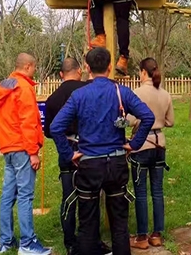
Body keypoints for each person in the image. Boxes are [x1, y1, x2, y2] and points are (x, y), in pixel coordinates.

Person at [50, 47, 155, 255]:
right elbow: (148, 116)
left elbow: (55, 127)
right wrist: (134, 144)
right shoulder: (121, 91)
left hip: (89, 165)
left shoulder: (79, 95)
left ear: (87, 67)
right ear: (109, 67)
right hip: (116, 164)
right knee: (119, 224)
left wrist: (68, 154)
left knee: (88, 224)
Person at [44, 58, 111, 255]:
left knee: (69, 198)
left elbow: (49, 131)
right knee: (92, 197)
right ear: (79, 71)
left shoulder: (53, 99)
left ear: (61, 74)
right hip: (89, 149)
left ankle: (70, 242)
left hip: (66, 150)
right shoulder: (87, 92)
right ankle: (94, 241)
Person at [0, 53, 51, 255]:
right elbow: (28, 121)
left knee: (8, 195)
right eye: (34, 68)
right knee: (26, 195)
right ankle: (28, 242)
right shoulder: (23, 87)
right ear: (27, 66)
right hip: (22, 148)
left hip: (7, 147)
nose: (34, 71)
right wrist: (33, 151)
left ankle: (5, 241)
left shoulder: (4, 86)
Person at [128, 58, 175, 250]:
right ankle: (157, 234)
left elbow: (129, 120)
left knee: (141, 193)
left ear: (143, 72)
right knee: (157, 191)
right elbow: (170, 121)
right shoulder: (165, 94)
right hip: (159, 144)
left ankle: (141, 237)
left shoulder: (136, 93)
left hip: (141, 144)